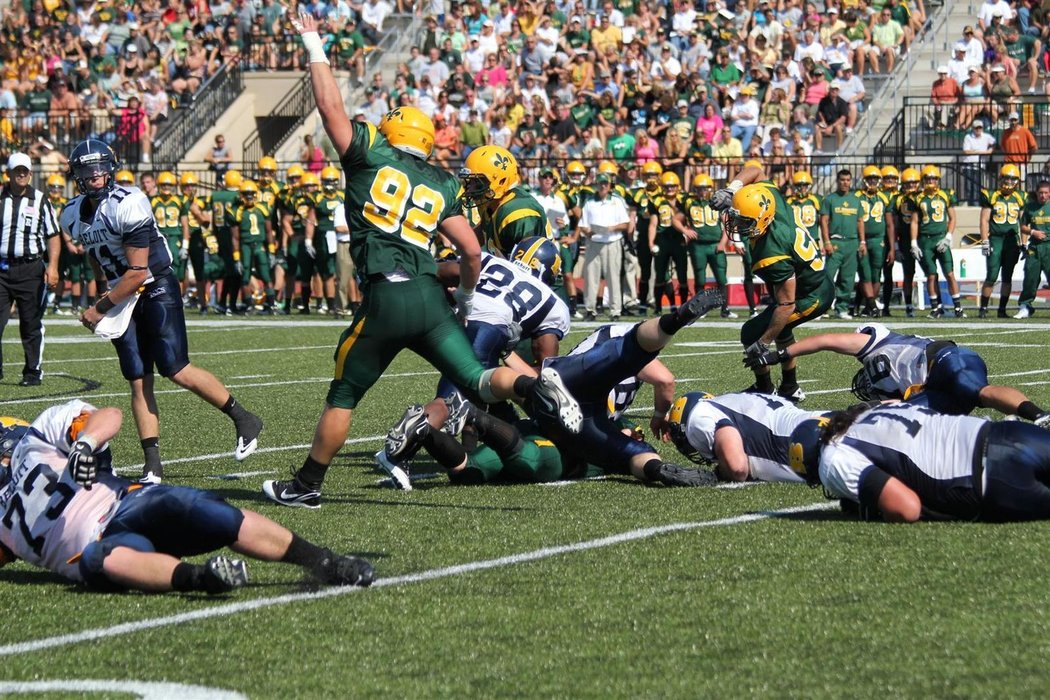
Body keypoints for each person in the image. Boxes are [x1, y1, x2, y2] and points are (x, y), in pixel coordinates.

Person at [262, 14, 583, 509]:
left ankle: (306, 484)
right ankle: (532, 385)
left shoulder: (370, 154)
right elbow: (471, 249)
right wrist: (467, 300)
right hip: (432, 300)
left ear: (390, 132)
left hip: (387, 295)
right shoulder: (441, 182)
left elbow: (329, 108)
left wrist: (311, 41)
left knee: (344, 393)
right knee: (476, 378)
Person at [0, 402, 373, 593]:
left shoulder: (37, 438)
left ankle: (324, 561)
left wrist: (84, 445)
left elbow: (108, 416)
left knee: (203, 511)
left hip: (125, 503)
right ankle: (203, 579)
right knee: (105, 560)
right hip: (93, 548)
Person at [62, 139, 264, 484]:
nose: (94, 176)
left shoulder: (129, 202)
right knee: (138, 380)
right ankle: (152, 465)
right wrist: (103, 292)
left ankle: (243, 417)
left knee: (176, 367)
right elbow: (98, 256)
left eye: (99, 168)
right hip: (121, 295)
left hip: (153, 285)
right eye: (85, 170)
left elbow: (138, 271)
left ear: (111, 167)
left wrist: (99, 308)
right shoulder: (71, 213)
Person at [383, 302, 727, 488]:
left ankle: (427, 428)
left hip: (555, 394)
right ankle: (470, 414)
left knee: (470, 471)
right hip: (580, 428)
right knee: (539, 461)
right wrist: (655, 439)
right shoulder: (618, 424)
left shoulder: (601, 339)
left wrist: (507, 355)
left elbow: (544, 375)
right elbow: (662, 383)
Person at [789, 402, 1050, 523]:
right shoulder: (871, 412)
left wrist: (877, 509)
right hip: (1005, 433)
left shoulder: (832, 458)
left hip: (989, 479)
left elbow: (907, 508)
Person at [745, 322, 1050, 422]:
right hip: (934, 389)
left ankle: (1039, 416)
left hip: (945, 360)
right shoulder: (890, 378)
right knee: (903, 419)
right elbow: (892, 405)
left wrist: (779, 355)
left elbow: (825, 340)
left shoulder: (876, 342)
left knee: (979, 392)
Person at [712, 163, 834, 402]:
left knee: (752, 332)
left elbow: (786, 304)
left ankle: (764, 387)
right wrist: (732, 190)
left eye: (744, 222)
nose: (736, 226)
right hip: (811, 282)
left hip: (812, 295)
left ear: (761, 220)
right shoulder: (770, 199)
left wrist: (763, 342)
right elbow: (755, 169)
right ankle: (790, 387)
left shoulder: (772, 254)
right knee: (782, 328)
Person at [667, 391, 827, 482]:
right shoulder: (735, 400)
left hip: (807, 445)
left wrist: (720, 473)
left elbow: (738, 468)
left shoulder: (699, 414)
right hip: (823, 422)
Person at [0, 152, 60, 386]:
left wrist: (53, 266)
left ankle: (32, 371)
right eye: (17, 170)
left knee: (31, 323)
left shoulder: (41, 200)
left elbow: (53, 234)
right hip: (2, 268)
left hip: (30, 269)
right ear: (9, 173)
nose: (22, 174)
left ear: (31, 173)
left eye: (25, 170)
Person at [459, 144, 553, 256]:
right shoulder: (491, 201)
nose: (471, 189)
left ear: (501, 181)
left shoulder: (519, 213)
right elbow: (480, 233)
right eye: (470, 183)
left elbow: (528, 266)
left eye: (478, 183)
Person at [910, 165, 964, 318]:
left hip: (941, 237)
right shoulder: (918, 197)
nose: (931, 181)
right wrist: (913, 242)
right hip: (926, 240)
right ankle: (936, 308)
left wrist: (948, 237)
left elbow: (953, 218)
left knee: (950, 273)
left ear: (938, 180)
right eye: (928, 178)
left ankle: (958, 308)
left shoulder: (946, 195)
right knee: (931, 275)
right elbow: (914, 222)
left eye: (933, 178)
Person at [580, 172, 630, 321]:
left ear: (609, 186)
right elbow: (582, 224)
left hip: (612, 242)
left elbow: (625, 224)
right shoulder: (589, 202)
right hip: (594, 242)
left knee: (613, 277)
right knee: (591, 277)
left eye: (605, 184)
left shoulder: (617, 201)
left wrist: (611, 228)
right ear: (597, 184)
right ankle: (590, 309)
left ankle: (615, 311)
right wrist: (588, 231)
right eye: (600, 183)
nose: (603, 186)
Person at [683, 175, 735, 318]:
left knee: (721, 278)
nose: (703, 191)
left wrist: (722, 243)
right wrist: (685, 230)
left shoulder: (716, 202)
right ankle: (700, 309)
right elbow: (676, 218)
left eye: (705, 188)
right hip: (698, 246)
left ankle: (725, 309)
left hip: (714, 245)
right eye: (700, 189)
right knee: (700, 278)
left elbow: (727, 224)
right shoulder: (689, 202)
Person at [978, 164, 1025, 318]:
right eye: (1006, 178)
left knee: (1007, 277)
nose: (1009, 181)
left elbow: (1024, 223)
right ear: (1001, 178)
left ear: (1017, 180)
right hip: (996, 239)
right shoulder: (992, 195)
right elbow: (984, 220)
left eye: (1012, 178)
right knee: (991, 275)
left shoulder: (1020, 197)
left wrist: (1023, 242)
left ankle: (1002, 310)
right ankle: (983, 309)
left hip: (1012, 241)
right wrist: (984, 240)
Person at [820, 169, 865, 320]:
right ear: (837, 181)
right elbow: (824, 221)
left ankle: (842, 308)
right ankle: (821, 308)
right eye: (842, 180)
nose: (845, 182)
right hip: (835, 241)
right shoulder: (830, 199)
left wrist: (862, 241)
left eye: (847, 180)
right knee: (828, 277)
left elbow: (860, 222)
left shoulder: (856, 200)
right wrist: (826, 241)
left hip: (852, 242)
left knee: (848, 278)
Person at [856, 165, 894, 317]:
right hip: (862, 240)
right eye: (870, 179)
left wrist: (891, 248)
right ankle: (869, 305)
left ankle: (869, 306)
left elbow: (890, 224)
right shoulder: (857, 196)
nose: (872, 181)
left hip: (879, 240)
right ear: (864, 180)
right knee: (865, 274)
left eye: (875, 179)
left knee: (876, 274)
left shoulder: (885, 197)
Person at [1016, 179, 1050, 318]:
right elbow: (1023, 226)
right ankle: (1025, 306)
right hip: (1035, 247)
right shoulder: (1030, 207)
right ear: (1036, 193)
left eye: (1046, 193)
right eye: (1040, 192)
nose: (1043, 195)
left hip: (1049, 246)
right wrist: (1033, 232)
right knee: (1030, 278)